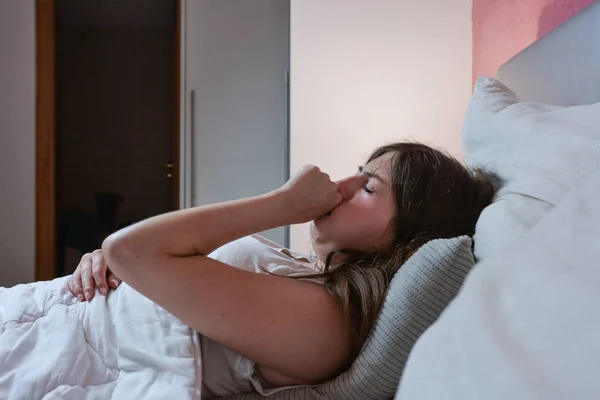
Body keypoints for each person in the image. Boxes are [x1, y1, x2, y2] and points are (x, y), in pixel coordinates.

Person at [67, 142, 497, 397]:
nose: (340, 187)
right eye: (358, 173)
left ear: (405, 237)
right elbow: (131, 256)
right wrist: (109, 267)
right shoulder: (302, 272)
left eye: (368, 188)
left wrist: (283, 204)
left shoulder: (325, 322)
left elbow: (131, 249)